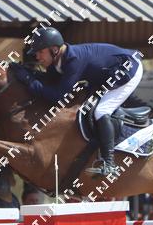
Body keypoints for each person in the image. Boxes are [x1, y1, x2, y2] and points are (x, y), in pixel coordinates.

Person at [9, 27, 143, 177]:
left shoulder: (74, 61)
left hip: (128, 70)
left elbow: (58, 96)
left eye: (40, 52)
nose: (37, 56)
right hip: (107, 73)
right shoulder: (57, 61)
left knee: (101, 111)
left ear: (54, 50)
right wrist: (27, 73)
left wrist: (28, 80)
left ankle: (109, 163)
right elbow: (49, 82)